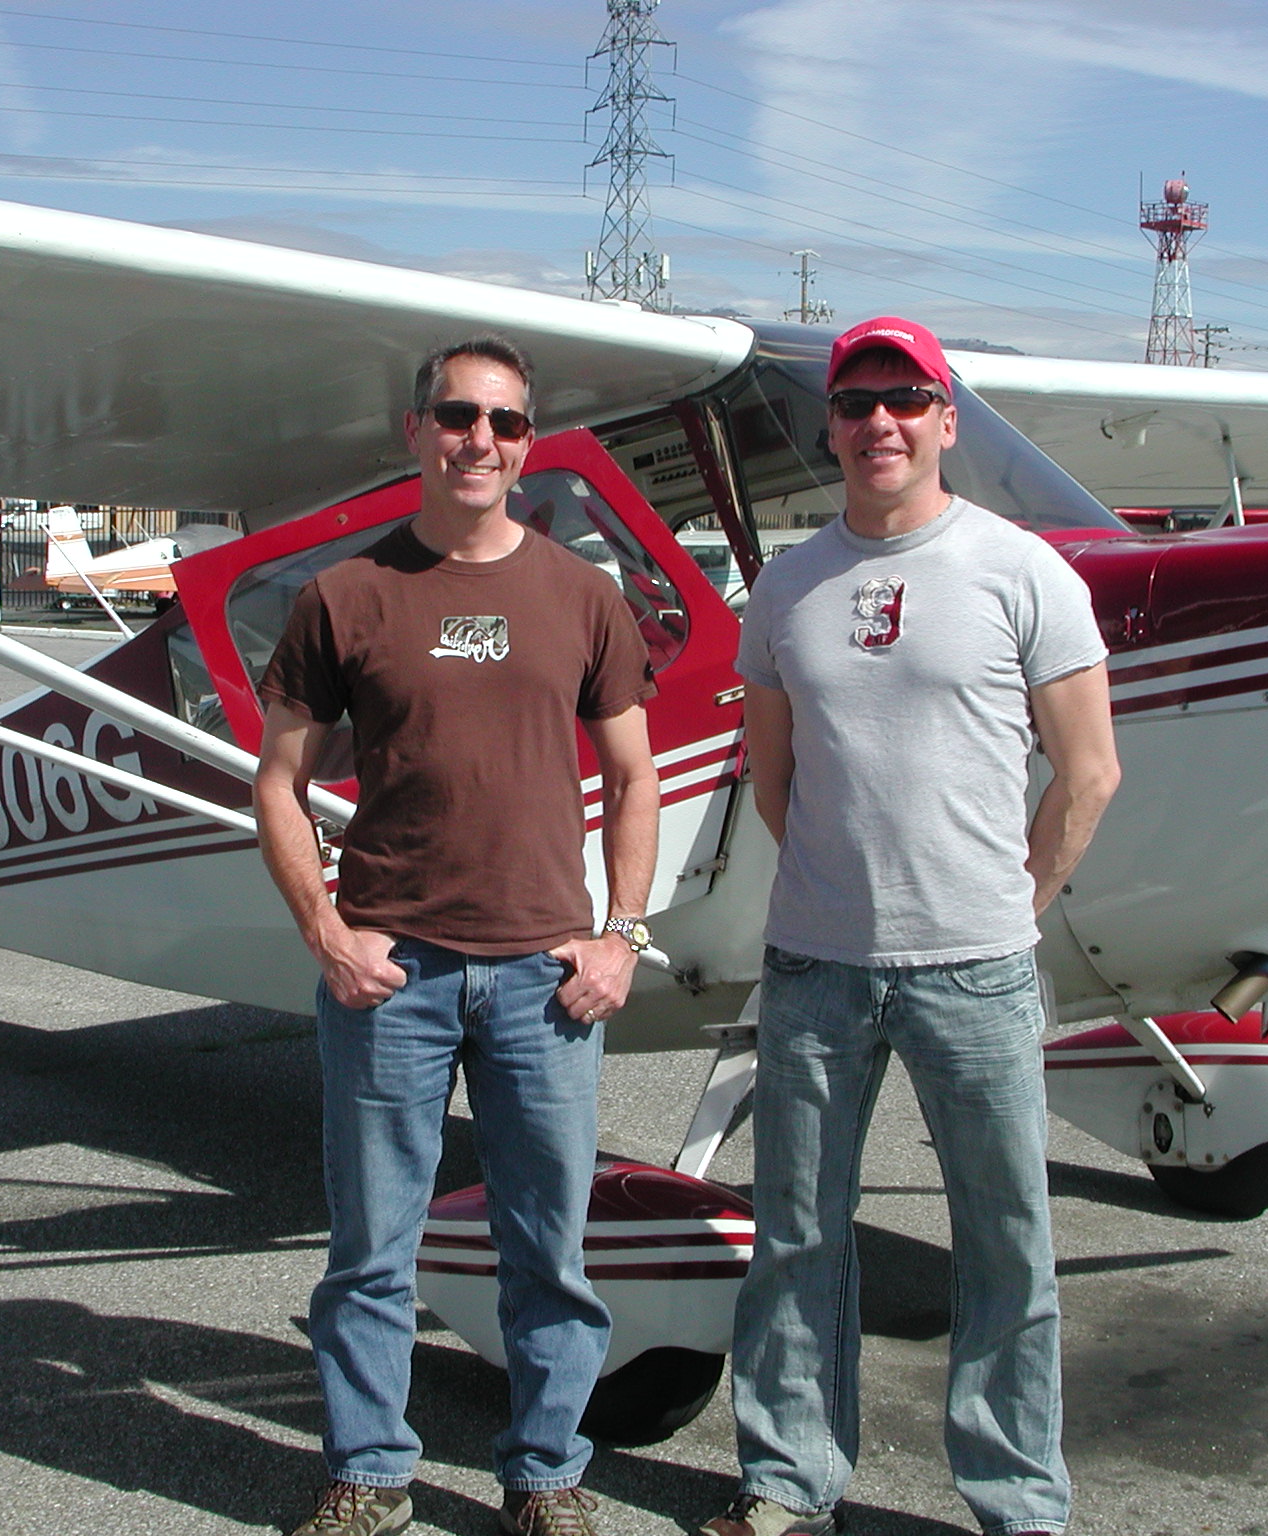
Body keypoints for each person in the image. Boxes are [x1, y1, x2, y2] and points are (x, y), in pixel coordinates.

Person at [703, 317, 1120, 1536]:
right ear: (827, 426)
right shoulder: (786, 584)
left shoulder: (1021, 569)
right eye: (853, 401)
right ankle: (787, 1478)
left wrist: (1008, 903)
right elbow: (774, 782)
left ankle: (1015, 1500)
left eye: (904, 397)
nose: (876, 420)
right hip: (816, 966)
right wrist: (848, 888)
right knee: (793, 1235)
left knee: (1004, 1245)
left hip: (977, 969)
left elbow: (1086, 773)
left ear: (945, 418)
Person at [256, 334, 661, 1536]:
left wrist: (621, 935)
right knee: (370, 1253)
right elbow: (278, 784)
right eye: (455, 416)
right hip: (394, 976)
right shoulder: (346, 596)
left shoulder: (582, 596)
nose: (478, 440)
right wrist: (327, 933)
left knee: (550, 1254)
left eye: (505, 422)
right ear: (414, 430)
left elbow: (633, 778)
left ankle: (545, 1478)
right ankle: (370, 1472)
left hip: (545, 980)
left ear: (527, 442)